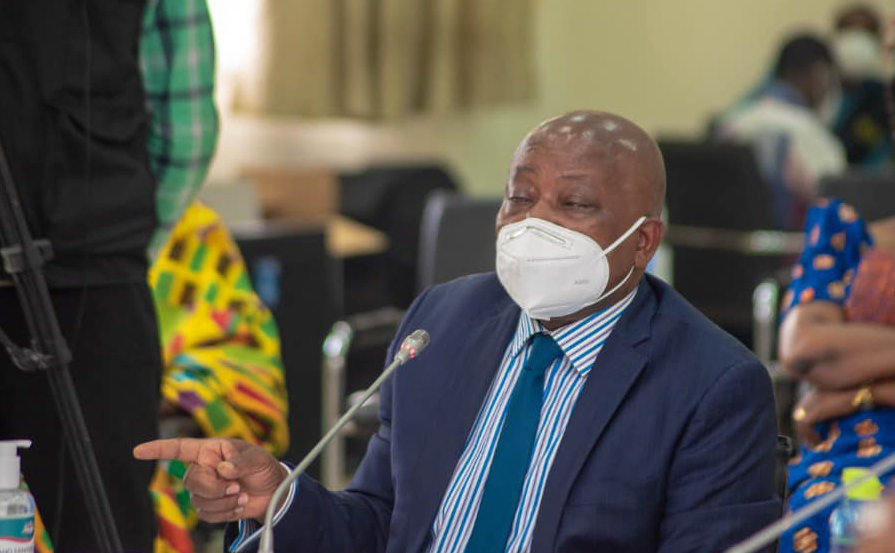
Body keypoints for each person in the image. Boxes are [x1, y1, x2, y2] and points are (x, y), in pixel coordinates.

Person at [135, 111, 781, 553]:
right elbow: (380, 522)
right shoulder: (441, 322)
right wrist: (279, 498)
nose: (534, 223)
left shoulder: (713, 385)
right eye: (519, 197)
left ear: (642, 242)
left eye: (575, 204)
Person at [0, 2, 162, 551]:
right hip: (98, 253)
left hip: (92, 276)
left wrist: (111, 228)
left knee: (102, 521)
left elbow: (185, 130)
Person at [777, 198, 895, 553]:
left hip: (848, 415)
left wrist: (856, 394)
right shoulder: (844, 231)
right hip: (847, 456)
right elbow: (804, 347)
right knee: (820, 519)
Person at [717, 34, 847, 230]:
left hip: (726, 243)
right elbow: (837, 210)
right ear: (817, 74)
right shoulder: (812, 136)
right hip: (791, 246)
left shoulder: (732, 123)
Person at [830, 4, 894, 171]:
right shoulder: (815, 88)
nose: (856, 45)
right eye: (850, 34)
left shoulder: (883, 96)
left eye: (865, 35)